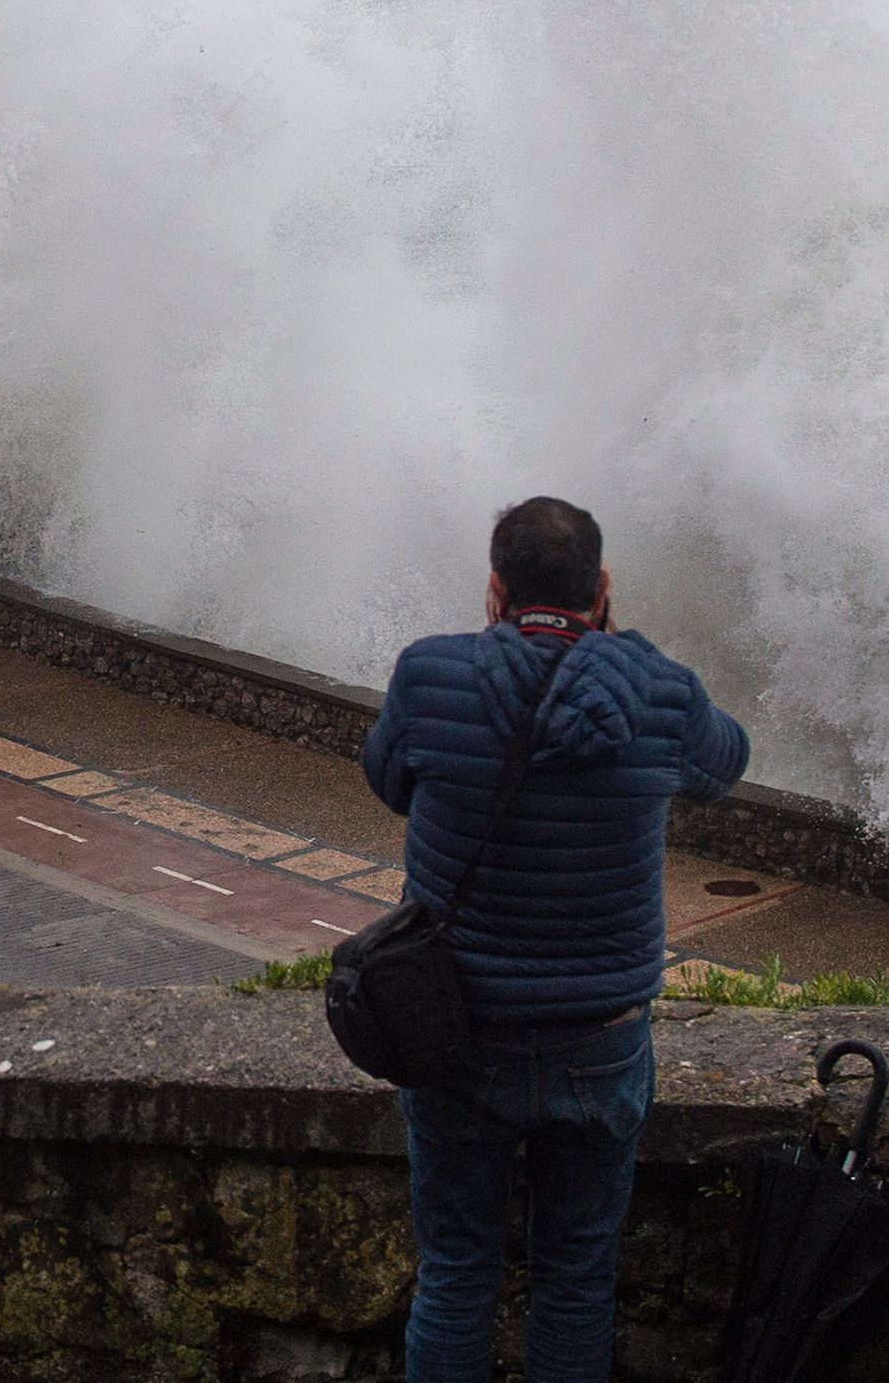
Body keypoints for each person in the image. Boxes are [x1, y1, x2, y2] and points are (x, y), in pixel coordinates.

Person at [361, 496, 750, 1383]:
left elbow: (390, 779)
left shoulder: (430, 675)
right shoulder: (660, 689)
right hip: (599, 1039)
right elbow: (726, 763)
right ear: (603, 589)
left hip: (458, 1030)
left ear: (494, 589)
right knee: (576, 1281)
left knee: (457, 1273)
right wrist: (632, 656)